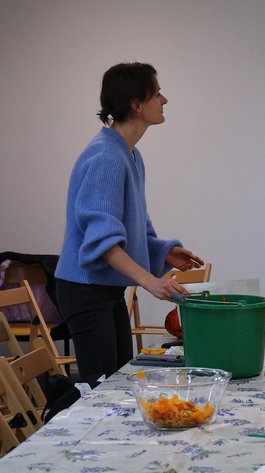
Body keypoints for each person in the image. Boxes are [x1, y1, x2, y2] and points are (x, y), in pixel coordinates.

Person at [55, 62, 203, 385]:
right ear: (136, 105)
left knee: (120, 380)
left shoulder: (130, 155)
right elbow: (104, 242)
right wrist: (151, 282)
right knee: (102, 387)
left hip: (106, 289)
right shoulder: (105, 157)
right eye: (157, 93)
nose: (164, 100)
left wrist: (165, 252)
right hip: (85, 290)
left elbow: (135, 227)